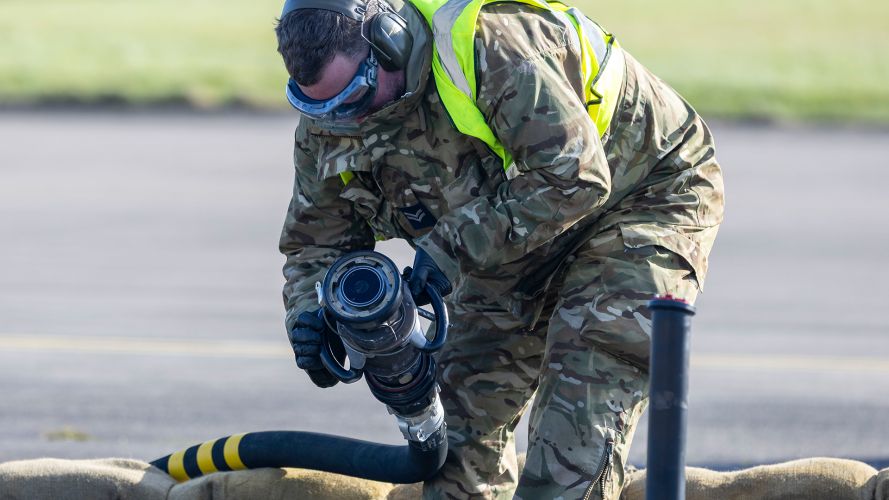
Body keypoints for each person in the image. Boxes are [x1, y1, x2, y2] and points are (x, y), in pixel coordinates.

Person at [275, 0, 724, 497]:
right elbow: (316, 239)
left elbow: (573, 178)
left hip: (636, 199)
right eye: (320, 106)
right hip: (505, 237)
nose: (345, 118)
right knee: (455, 456)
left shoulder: (491, 47)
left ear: (391, 40)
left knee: (568, 450)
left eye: (356, 95)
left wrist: (447, 250)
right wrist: (309, 313)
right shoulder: (331, 118)